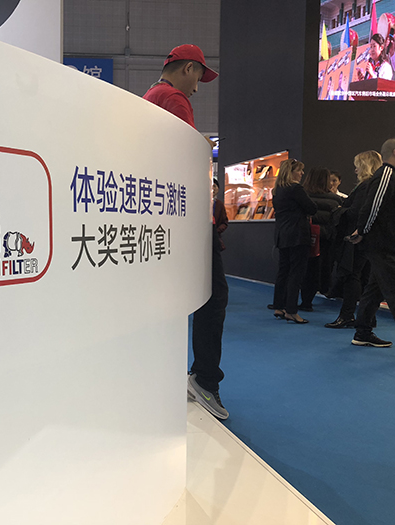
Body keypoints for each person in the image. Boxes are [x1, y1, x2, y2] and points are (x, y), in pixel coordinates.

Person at [143, 44, 229, 420]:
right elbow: (188, 160)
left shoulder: (150, 96)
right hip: (187, 219)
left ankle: (164, 375)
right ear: (189, 68)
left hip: (162, 218)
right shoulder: (174, 99)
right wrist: (203, 150)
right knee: (215, 297)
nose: (197, 89)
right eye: (198, 78)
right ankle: (205, 380)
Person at [326, 151, 382, 328]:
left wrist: (339, 210)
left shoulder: (365, 187)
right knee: (364, 277)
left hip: (356, 237)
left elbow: (355, 212)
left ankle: (347, 315)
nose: (355, 170)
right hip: (367, 237)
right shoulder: (374, 186)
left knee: (352, 276)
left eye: (357, 166)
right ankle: (367, 318)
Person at [349, 138, 395, 347]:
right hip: (382, 244)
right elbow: (373, 206)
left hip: (384, 243)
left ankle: (362, 332)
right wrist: (363, 231)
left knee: (374, 289)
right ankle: (363, 331)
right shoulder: (386, 174)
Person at [271, 159, 317, 323]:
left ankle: (279, 306)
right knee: (296, 273)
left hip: (282, 235)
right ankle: (291, 310)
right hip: (298, 235)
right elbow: (312, 208)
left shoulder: (276, 190)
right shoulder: (296, 189)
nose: (302, 173)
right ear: (291, 172)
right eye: (299, 170)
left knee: (283, 271)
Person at [299, 167, 343, 311]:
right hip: (325, 239)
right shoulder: (336, 200)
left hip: (304, 237)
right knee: (322, 269)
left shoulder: (302, 196)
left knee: (303, 270)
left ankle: (302, 302)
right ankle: (315, 296)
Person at [213, 178, 229, 250]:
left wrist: (216, 231)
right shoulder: (201, 203)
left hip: (215, 237)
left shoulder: (219, 204)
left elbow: (224, 222)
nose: (213, 189)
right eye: (211, 186)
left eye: (214, 186)